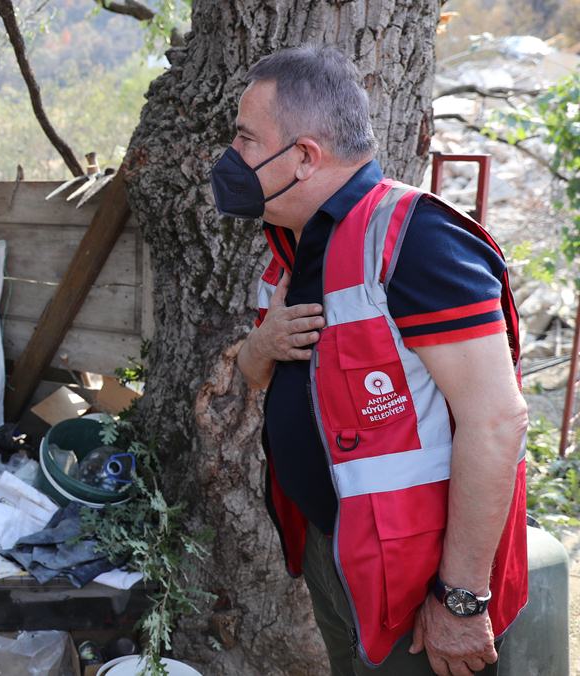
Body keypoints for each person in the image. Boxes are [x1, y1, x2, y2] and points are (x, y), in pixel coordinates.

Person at [223, 46, 528, 675]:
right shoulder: (293, 242)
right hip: (336, 551)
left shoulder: (419, 239)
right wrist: (262, 344)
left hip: (419, 584)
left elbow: (497, 422)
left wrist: (461, 600)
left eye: (246, 139)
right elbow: (256, 376)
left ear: (304, 157)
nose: (231, 158)